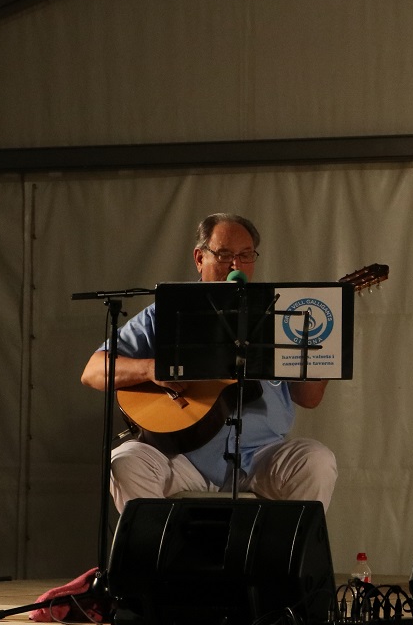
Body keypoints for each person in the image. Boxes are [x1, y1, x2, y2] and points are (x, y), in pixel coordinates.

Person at [81, 213, 337, 511]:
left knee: (317, 460)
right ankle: (157, 556)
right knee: (126, 462)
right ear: (199, 258)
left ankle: (285, 557)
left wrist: (324, 346)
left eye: (245, 255)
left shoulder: (284, 316)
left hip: (262, 456)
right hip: (180, 456)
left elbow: (309, 398)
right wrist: (153, 369)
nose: (235, 266)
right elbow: (93, 371)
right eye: (225, 254)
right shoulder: (166, 313)